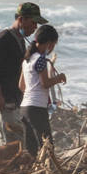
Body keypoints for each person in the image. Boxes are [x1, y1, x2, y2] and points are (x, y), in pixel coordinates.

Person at [0, 2, 45, 144]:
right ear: (22, 19)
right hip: (3, 102)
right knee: (10, 145)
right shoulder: (3, 38)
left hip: (14, 101)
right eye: (33, 22)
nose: (35, 27)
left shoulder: (19, 40)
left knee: (19, 144)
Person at [19, 24, 66, 158]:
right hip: (37, 108)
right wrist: (59, 78)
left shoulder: (27, 60)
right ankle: (48, 168)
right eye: (53, 45)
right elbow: (45, 83)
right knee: (47, 146)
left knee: (31, 148)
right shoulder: (40, 60)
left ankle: (32, 169)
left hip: (24, 107)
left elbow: (21, 86)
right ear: (49, 43)